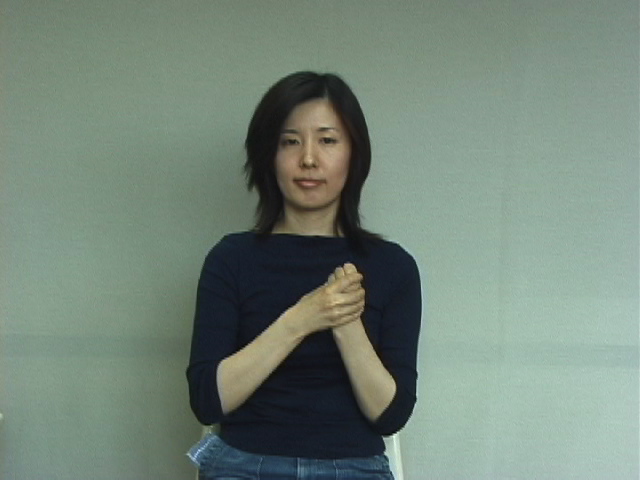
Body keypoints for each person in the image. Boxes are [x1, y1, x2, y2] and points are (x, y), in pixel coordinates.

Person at [186, 71, 422, 480]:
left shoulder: (393, 267)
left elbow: (390, 415)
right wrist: (301, 319)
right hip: (243, 464)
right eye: (290, 141)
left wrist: (345, 322)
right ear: (268, 155)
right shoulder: (231, 259)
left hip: (353, 468)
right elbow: (208, 401)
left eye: (327, 141)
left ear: (354, 154)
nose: (308, 159)